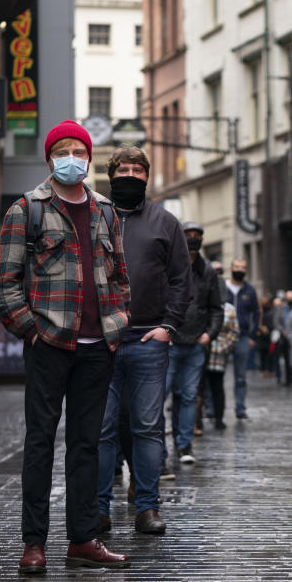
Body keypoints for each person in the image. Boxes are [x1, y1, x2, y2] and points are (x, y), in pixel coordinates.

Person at [0, 120, 130, 573]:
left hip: (97, 348)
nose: (73, 158)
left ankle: (83, 540)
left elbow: (121, 277)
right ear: (50, 158)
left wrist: (119, 322)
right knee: (40, 443)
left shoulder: (106, 210)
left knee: (87, 445)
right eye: (63, 150)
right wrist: (31, 331)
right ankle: (34, 545)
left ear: (89, 158)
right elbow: (3, 283)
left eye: (80, 150)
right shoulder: (26, 209)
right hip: (49, 344)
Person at [95, 145, 192, 536]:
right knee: (101, 429)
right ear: (111, 175)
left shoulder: (165, 222)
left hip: (148, 338)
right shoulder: (94, 219)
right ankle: (99, 510)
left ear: (147, 176)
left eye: (138, 170)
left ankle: (147, 508)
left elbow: (181, 280)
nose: (131, 176)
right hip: (101, 340)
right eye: (124, 170)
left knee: (148, 427)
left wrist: (168, 327)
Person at [165, 221, 223, 465]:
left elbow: (215, 309)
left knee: (189, 396)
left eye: (197, 235)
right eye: (188, 234)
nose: (192, 238)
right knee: (162, 396)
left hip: (196, 344)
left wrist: (209, 334)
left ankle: (184, 444)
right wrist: (164, 331)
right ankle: (158, 450)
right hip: (170, 343)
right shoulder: (169, 266)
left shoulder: (207, 271)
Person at [206, 262, 239, 429]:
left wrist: (223, 348)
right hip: (203, 352)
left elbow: (234, 333)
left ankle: (219, 417)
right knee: (201, 388)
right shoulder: (204, 307)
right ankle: (200, 418)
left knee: (218, 387)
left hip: (219, 355)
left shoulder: (229, 310)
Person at [226, 258, 260, 419]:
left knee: (241, 376)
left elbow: (256, 313)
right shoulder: (222, 287)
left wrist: (252, 335)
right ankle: (213, 410)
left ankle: (240, 408)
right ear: (231, 268)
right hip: (222, 337)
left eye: (243, 267)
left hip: (242, 337)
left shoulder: (249, 290)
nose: (239, 269)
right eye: (237, 266)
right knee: (215, 374)